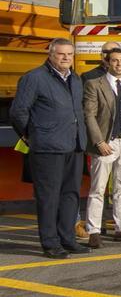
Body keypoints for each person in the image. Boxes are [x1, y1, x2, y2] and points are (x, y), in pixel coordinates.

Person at [11, 39, 90, 258]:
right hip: (47, 148)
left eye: (69, 54)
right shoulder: (34, 78)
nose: (66, 58)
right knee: (49, 198)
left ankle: (68, 239)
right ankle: (50, 243)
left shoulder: (75, 79)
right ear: (50, 54)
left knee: (71, 195)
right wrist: (31, 135)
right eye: (61, 54)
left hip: (74, 146)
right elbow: (18, 112)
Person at [82, 47, 121, 247]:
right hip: (105, 144)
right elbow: (89, 115)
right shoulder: (94, 84)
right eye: (115, 60)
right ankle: (93, 231)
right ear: (107, 62)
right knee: (98, 189)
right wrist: (99, 141)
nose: (119, 64)